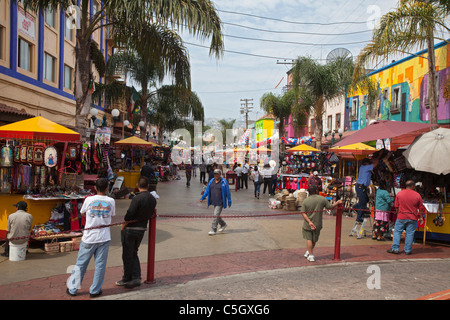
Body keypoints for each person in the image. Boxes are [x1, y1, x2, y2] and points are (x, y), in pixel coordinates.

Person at [67, 178, 115, 298]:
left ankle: (73, 289)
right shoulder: (111, 201)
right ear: (107, 188)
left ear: (95, 188)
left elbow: (82, 213)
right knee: (100, 265)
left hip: (89, 237)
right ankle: (95, 290)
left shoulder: (88, 199)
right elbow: (112, 214)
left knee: (81, 264)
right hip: (104, 237)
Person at [116, 177, 157, 288]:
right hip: (141, 229)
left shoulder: (137, 198)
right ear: (147, 186)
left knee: (127, 254)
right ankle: (135, 277)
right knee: (133, 253)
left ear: (137, 186)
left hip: (130, 229)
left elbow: (130, 214)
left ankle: (129, 277)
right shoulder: (153, 199)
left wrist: (123, 225)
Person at [300, 186, 342, 262]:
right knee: (314, 240)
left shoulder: (305, 201)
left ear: (308, 192)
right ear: (316, 190)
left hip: (308, 224)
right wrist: (337, 202)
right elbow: (330, 207)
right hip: (318, 223)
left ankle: (311, 254)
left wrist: (309, 222)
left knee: (309, 239)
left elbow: (303, 213)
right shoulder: (322, 199)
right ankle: (309, 252)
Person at [388, 180, 424, 255]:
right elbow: (420, 208)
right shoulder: (417, 195)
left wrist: (398, 214)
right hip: (413, 217)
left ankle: (395, 248)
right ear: (413, 186)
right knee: (410, 233)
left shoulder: (400, 194)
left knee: (397, 232)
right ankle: (408, 250)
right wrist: (421, 217)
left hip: (401, 216)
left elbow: (396, 206)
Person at [200, 169, 232, 235]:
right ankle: (223, 224)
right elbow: (207, 190)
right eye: (215, 174)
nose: (216, 175)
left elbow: (228, 192)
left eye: (217, 174)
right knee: (216, 215)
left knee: (215, 215)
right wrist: (202, 197)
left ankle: (213, 229)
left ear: (220, 174)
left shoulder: (224, 182)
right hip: (213, 200)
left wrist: (229, 201)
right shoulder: (211, 181)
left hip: (220, 202)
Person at [353, 154, 381, 223]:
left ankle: (356, 207)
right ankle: (359, 218)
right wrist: (379, 156)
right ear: (366, 163)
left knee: (366, 200)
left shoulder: (362, 167)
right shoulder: (366, 167)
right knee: (363, 203)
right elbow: (375, 164)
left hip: (361, 187)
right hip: (360, 187)